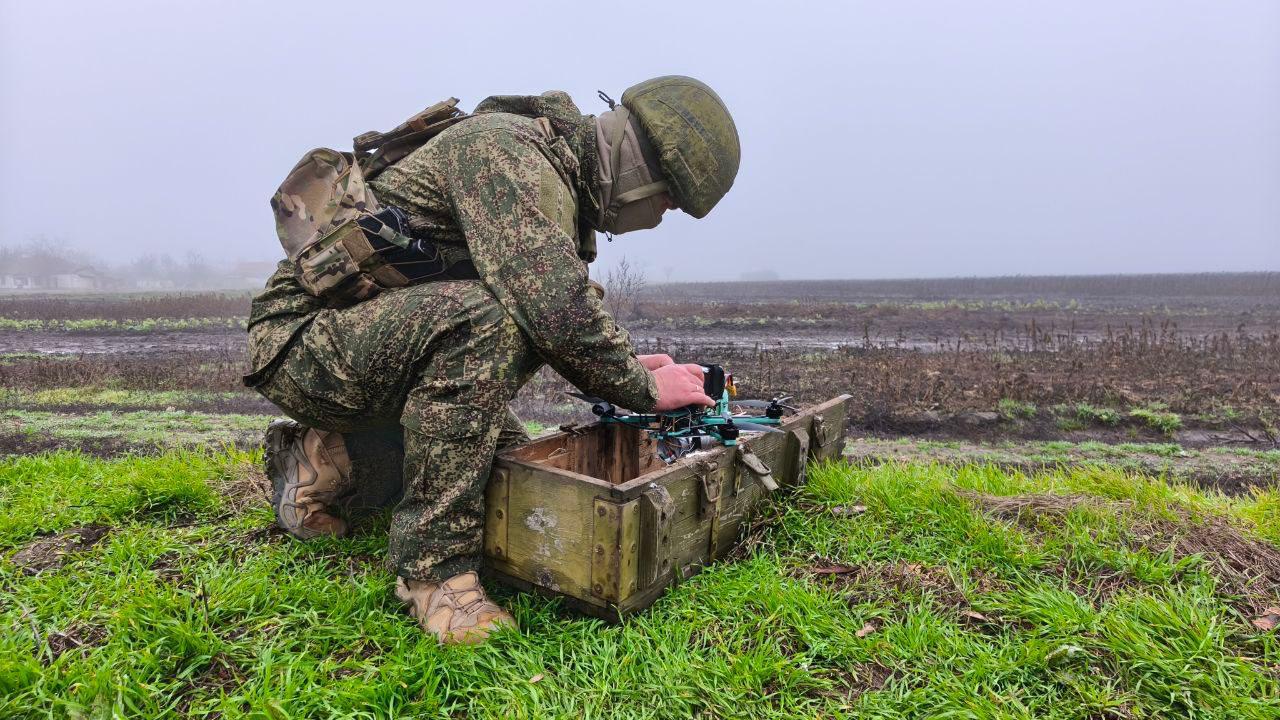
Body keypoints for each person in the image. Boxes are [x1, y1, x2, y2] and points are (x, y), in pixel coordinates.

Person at [243, 76, 739, 644]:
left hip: (356, 349)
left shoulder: (549, 180)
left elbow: (553, 312)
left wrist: (628, 363)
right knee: (491, 321)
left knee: (501, 460)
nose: (662, 214)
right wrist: (644, 389)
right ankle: (435, 575)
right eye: (668, 200)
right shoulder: (507, 152)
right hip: (301, 344)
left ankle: (329, 460)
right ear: (638, 173)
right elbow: (549, 306)